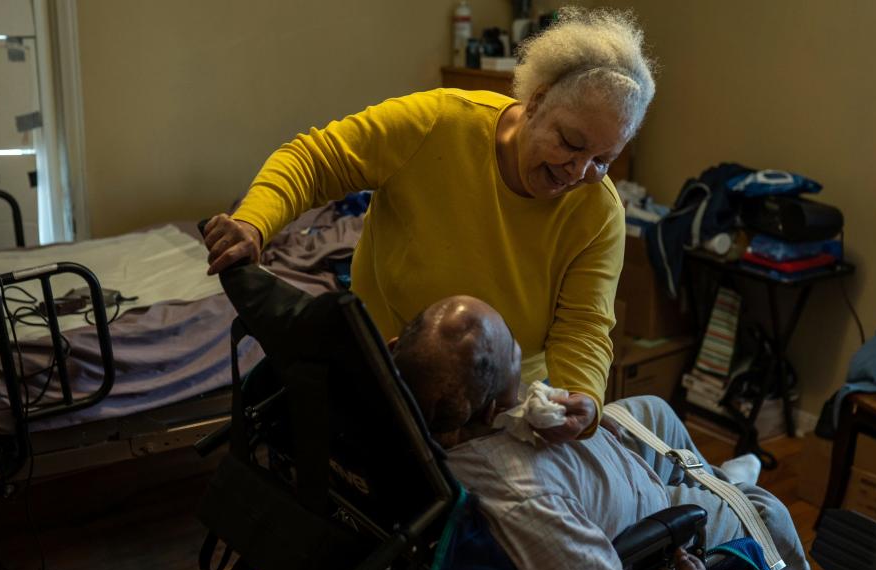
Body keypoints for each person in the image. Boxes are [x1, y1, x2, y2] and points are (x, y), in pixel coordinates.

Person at [203, 7, 657, 442]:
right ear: (536, 101)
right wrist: (254, 224)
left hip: (499, 408)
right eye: (570, 143)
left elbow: (584, 326)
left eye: (602, 160)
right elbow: (316, 160)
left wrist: (581, 400)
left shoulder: (598, 213)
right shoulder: (439, 124)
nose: (577, 172)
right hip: (383, 372)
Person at [390, 295, 841, 570]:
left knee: (653, 410)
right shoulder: (526, 501)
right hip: (646, 513)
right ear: (490, 410)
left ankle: (717, 478)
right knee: (764, 511)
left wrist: (583, 412)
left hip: (597, 463)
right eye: (516, 355)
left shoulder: (436, 414)